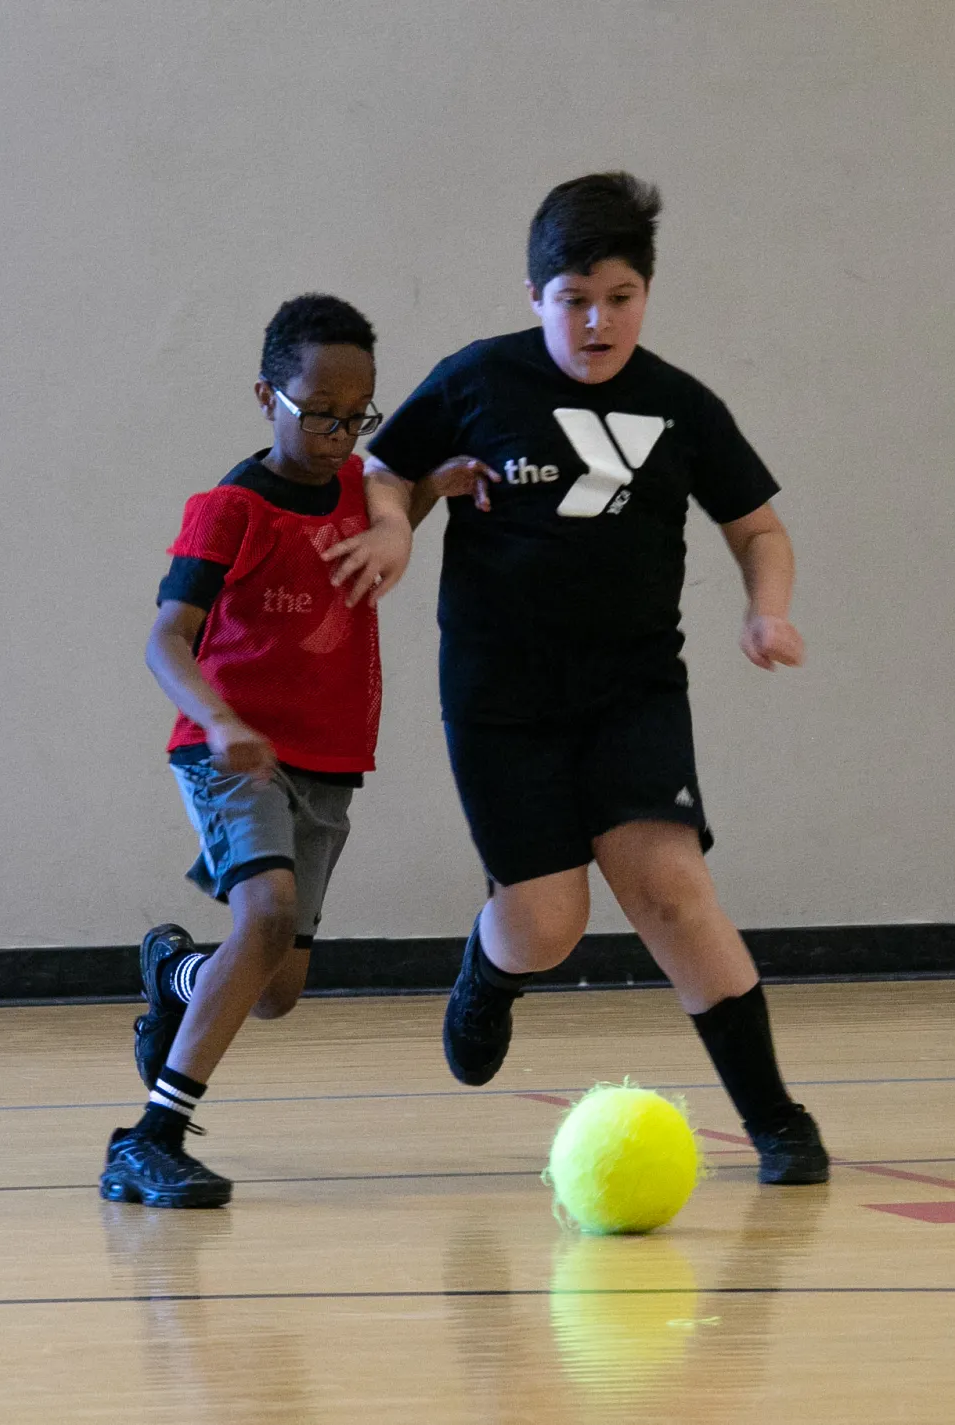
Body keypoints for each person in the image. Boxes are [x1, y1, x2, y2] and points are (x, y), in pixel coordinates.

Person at [323, 174, 830, 1185]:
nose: (598, 322)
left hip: (633, 690)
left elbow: (758, 527)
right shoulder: (478, 380)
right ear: (534, 296)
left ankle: (777, 1119)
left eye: (620, 297)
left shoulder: (681, 407)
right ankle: (487, 970)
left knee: (673, 890)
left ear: (646, 293)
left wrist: (765, 606)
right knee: (550, 927)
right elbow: (385, 463)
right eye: (573, 299)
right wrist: (392, 524)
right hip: (500, 699)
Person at [100, 294, 419, 1208]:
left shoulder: (366, 494)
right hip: (230, 751)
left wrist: (448, 483)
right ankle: (148, 1137)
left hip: (327, 763)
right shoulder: (230, 510)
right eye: (319, 412)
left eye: (356, 416)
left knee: (275, 986)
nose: (337, 433)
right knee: (268, 909)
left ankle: (176, 971)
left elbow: (417, 475)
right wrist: (221, 720)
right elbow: (167, 638)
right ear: (266, 396)